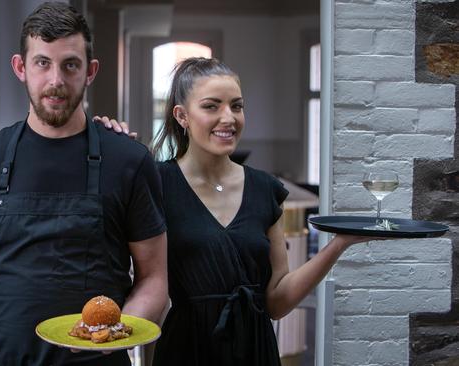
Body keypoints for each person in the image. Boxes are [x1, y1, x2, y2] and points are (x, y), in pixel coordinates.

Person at [0, 3, 168, 366]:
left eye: (70, 65)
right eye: (42, 63)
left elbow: (154, 279)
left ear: (90, 71)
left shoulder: (129, 161)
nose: (56, 80)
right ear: (20, 68)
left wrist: (119, 330)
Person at [97, 57, 378, 365]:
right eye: (211, 106)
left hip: (256, 352)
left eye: (237, 106)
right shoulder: (157, 183)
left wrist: (338, 244)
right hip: (186, 350)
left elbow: (276, 302)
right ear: (182, 116)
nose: (228, 117)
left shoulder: (265, 189)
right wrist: (111, 144)